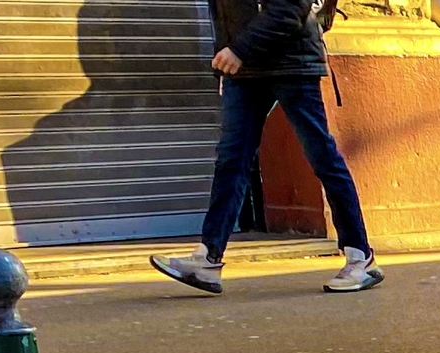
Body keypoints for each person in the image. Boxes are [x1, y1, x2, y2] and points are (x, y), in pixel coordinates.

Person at [151, 0, 382, 294]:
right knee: (231, 162)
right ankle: (207, 260)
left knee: (322, 158)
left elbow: (290, 8)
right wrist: (227, 59)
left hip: (291, 64)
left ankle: (360, 257)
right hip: (246, 72)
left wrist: (238, 50)